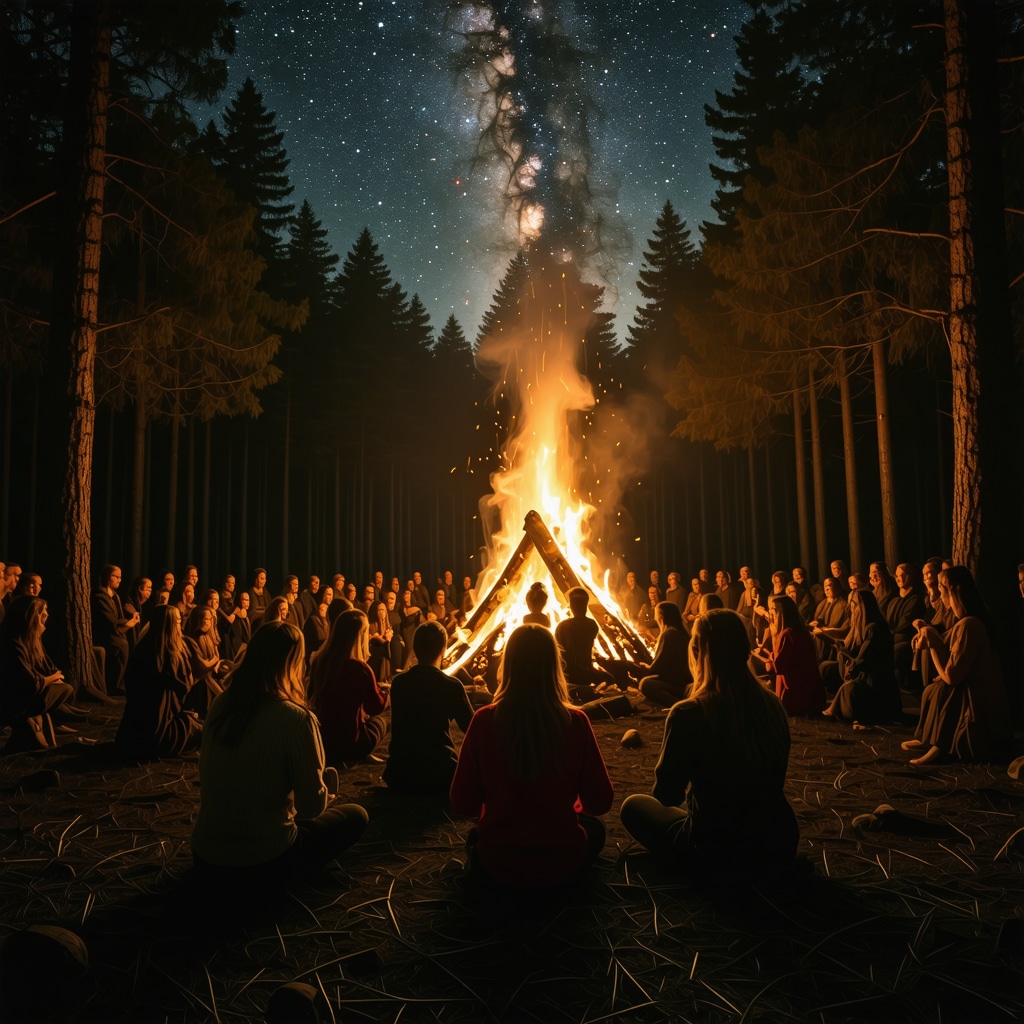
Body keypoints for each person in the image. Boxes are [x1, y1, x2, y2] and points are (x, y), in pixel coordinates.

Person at [191, 622, 369, 899]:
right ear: (292, 663)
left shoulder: (221, 704)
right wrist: (326, 794)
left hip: (206, 855)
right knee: (357, 815)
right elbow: (310, 808)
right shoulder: (296, 719)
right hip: (263, 860)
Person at [619, 609, 798, 882]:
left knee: (634, 805)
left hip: (717, 849)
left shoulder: (688, 713)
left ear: (698, 652)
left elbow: (666, 796)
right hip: (778, 841)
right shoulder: (772, 706)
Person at [450, 624, 613, 894]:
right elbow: (600, 801)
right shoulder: (576, 722)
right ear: (553, 667)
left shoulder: (484, 721)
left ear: (509, 664)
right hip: (563, 864)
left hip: (498, 864)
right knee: (595, 828)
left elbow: (462, 802)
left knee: (476, 837)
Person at [902, 567, 1012, 765]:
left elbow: (952, 675)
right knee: (933, 689)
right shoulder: (963, 623)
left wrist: (933, 644)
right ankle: (928, 738)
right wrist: (926, 631)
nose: (941, 597)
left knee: (947, 690)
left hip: (977, 700)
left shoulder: (970, 625)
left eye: (942, 591)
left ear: (953, 593)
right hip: (972, 688)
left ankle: (941, 746)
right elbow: (944, 640)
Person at [383, 622, 474, 795]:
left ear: (415, 649)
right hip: (439, 772)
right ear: (444, 650)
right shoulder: (451, 686)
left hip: (400, 774)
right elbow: (471, 727)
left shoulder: (399, 682)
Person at [115, 605, 203, 761]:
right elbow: (184, 686)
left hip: (134, 730)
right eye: (177, 621)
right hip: (158, 731)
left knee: (199, 724)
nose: (180, 625)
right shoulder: (164, 655)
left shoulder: (145, 647)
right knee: (204, 731)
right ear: (168, 624)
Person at [308, 608, 389, 767]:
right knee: (384, 722)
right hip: (351, 745)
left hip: (322, 741)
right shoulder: (360, 669)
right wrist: (387, 695)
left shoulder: (320, 661)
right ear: (361, 635)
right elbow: (375, 706)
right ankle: (362, 754)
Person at [0, 596, 76, 751]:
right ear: (30, 616)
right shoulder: (13, 643)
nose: (46, 616)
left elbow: (48, 668)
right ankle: (23, 719)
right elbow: (32, 684)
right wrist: (53, 678)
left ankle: (32, 727)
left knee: (64, 687)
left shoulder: (32, 640)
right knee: (64, 689)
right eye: (42, 613)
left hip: (24, 694)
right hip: (10, 701)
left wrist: (53, 677)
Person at [822, 589, 900, 726]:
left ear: (863, 607)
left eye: (854, 604)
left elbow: (863, 661)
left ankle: (843, 711)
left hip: (875, 686)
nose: (851, 609)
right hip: (861, 678)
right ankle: (836, 708)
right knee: (827, 669)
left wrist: (846, 658)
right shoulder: (858, 629)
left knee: (850, 690)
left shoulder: (874, 629)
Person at [756, 595, 825, 716]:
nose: (770, 613)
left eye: (774, 610)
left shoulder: (788, 634)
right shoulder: (799, 631)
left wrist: (771, 650)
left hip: (795, 696)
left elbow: (778, 667)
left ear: (782, 613)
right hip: (809, 696)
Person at [554, 587, 615, 702]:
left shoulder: (563, 626)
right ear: (586, 606)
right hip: (587, 673)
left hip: (568, 675)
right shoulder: (592, 625)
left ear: (571, 606)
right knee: (609, 679)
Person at [629, 602, 692, 708]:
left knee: (646, 684)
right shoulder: (680, 632)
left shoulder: (669, 634)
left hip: (678, 684)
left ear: (661, 616)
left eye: (656, 614)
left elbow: (658, 667)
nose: (655, 617)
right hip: (681, 680)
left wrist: (644, 668)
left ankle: (677, 704)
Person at [91, 565, 139, 694]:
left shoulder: (115, 596)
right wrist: (125, 623)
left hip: (115, 631)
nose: (119, 580)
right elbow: (110, 620)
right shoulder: (99, 596)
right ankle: (116, 685)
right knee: (121, 645)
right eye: (115, 577)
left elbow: (119, 617)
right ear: (107, 577)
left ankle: (123, 682)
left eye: (120, 577)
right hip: (104, 634)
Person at [302, 586, 333, 665]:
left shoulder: (330, 614)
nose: (331, 597)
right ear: (322, 595)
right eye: (328, 594)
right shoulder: (313, 619)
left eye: (332, 595)